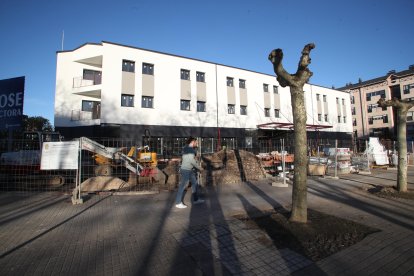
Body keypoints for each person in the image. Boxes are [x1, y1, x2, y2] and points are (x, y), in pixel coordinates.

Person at [175, 137, 205, 208]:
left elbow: (187, 158)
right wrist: (200, 168)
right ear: (192, 142)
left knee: (194, 183)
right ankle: (178, 202)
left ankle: (196, 199)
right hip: (186, 170)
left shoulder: (186, 148)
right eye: (196, 142)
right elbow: (192, 161)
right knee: (183, 185)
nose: (197, 143)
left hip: (189, 169)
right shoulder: (190, 149)